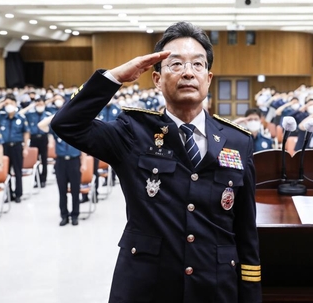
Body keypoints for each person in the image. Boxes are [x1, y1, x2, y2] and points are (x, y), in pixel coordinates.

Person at [51, 22, 261, 303]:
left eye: (198, 65)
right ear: (157, 79)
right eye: (175, 64)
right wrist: (114, 78)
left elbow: (246, 234)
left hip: (215, 288)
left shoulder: (238, 141)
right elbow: (67, 124)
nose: (188, 72)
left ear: (208, 78)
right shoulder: (132, 132)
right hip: (147, 287)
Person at [38, 114, 86, 226]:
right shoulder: (57, 129)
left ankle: (75, 215)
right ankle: (64, 215)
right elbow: (41, 125)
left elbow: (83, 147)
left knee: (75, 191)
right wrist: (57, 115)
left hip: (74, 162)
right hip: (61, 162)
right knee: (62, 191)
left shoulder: (77, 128)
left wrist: (83, 163)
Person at [0, 94, 30, 203]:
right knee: (6, 172)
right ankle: (9, 193)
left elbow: (26, 133)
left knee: (17, 171)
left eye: (10, 103)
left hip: (17, 146)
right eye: (6, 104)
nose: (8, 106)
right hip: (5, 147)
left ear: (15, 104)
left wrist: (25, 148)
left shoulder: (21, 117)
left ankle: (18, 194)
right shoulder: (1, 116)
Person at [20, 98, 52, 187]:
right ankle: (36, 179)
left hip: (44, 138)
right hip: (33, 138)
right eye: (38, 104)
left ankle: (43, 180)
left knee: (44, 160)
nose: (39, 106)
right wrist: (31, 106)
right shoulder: (31, 114)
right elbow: (20, 114)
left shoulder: (47, 114)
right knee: (35, 160)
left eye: (41, 104)